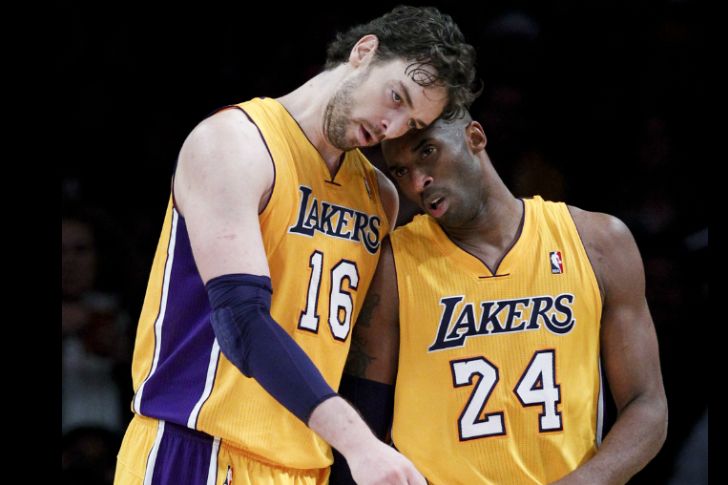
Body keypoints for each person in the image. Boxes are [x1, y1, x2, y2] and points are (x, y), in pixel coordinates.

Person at [114, 6, 479, 485]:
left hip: (305, 464)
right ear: (363, 52)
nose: (390, 128)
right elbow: (241, 321)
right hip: (199, 447)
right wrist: (359, 442)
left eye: (410, 123)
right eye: (395, 97)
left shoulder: (380, 196)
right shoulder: (234, 142)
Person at [334, 111, 668, 484]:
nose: (417, 180)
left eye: (427, 151)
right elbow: (364, 422)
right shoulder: (391, 266)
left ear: (475, 137)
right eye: (399, 171)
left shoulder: (599, 242)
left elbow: (648, 405)